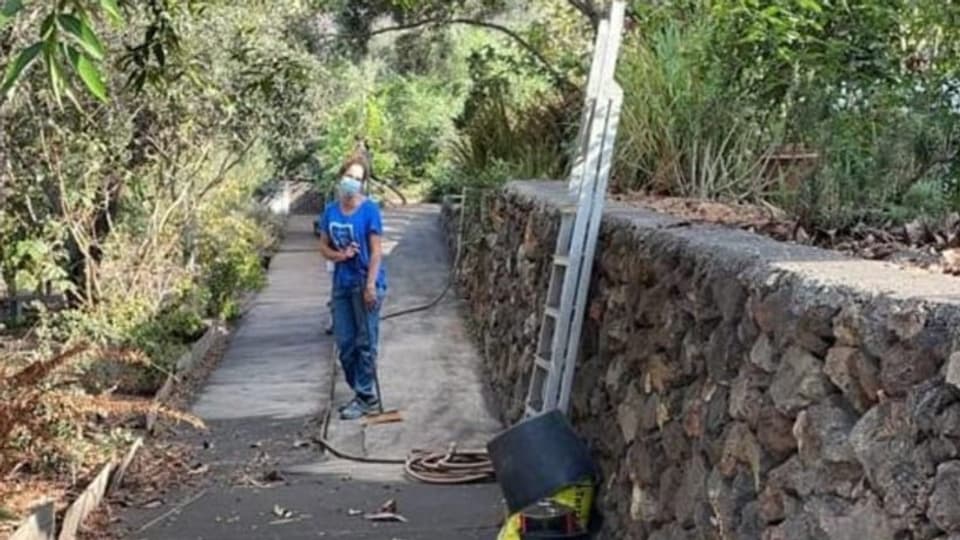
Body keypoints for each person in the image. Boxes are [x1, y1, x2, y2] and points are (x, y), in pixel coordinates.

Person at [318, 158, 387, 420]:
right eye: (349, 176)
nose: (352, 182)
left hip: (366, 282)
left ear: (363, 183)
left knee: (365, 341)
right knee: (345, 344)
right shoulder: (330, 211)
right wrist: (340, 256)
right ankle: (359, 390)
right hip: (342, 284)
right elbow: (323, 247)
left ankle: (365, 396)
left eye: (358, 178)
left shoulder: (370, 210)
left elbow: (377, 251)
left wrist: (370, 285)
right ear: (340, 177)